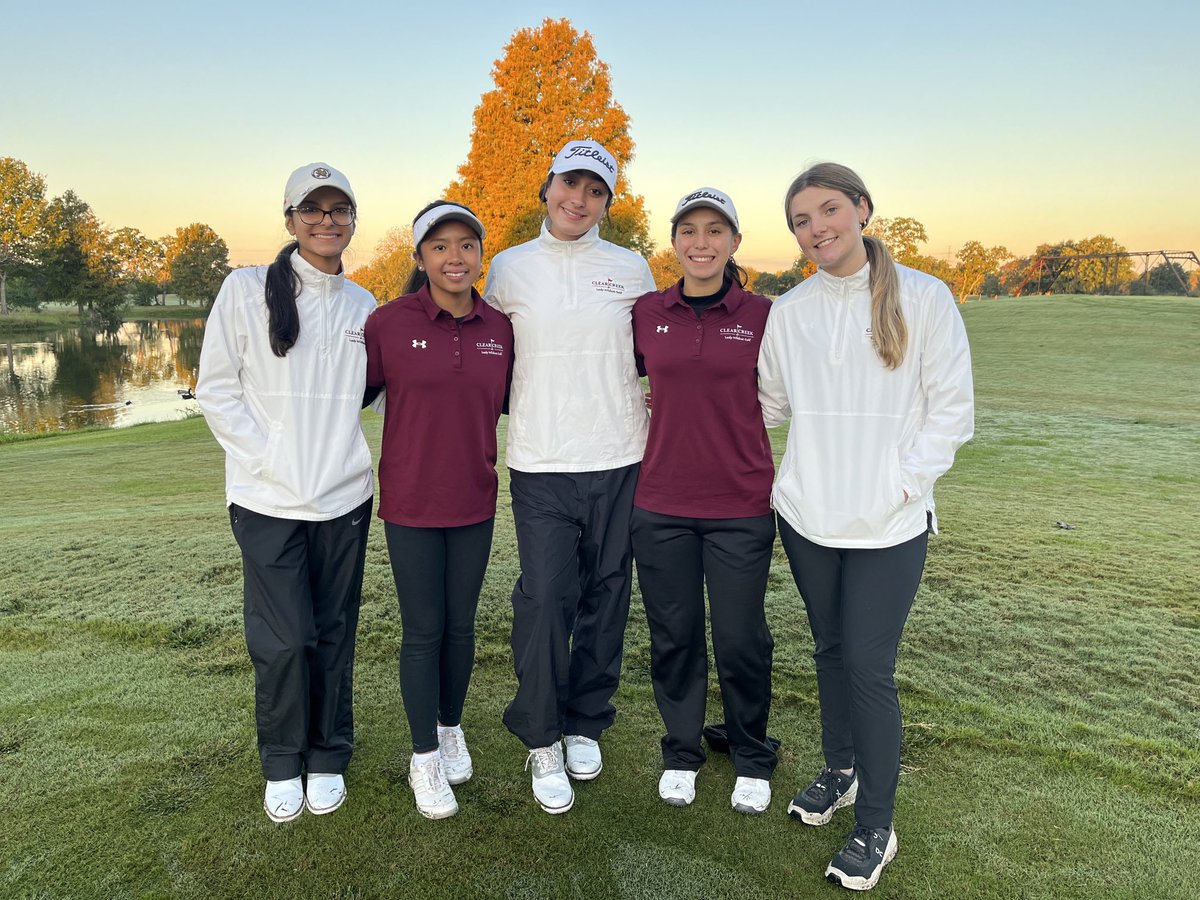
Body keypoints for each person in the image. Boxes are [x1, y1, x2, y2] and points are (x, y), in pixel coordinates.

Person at [758, 162, 974, 891]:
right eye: (800, 221)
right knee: (828, 649)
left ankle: (875, 825)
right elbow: (767, 406)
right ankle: (841, 769)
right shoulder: (790, 311)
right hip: (809, 516)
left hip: (889, 522)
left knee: (869, 668)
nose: (816, 229)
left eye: (827, 211)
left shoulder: (924, 297)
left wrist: (903, 483)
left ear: (862, 210)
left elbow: (952, 411)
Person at [196, 162, 376, 823]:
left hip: (344, 500)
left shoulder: (364, 307)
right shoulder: (245, 290)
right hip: (267, 499)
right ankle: (281, 760)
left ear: (352, 220)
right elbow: (216, 387)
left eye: (339, 209)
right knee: (283, 639)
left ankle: (328, 753)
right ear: (290, 218)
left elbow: (380, 392)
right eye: (313, 208)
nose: (327, 220)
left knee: (332, 632)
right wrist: (267, 456)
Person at [483, 139, 656, 814]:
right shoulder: (507, 267)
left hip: (618, 454)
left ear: (607, 202)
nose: (577, 200)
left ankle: (587, 719)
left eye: (593, 191)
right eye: (568, 185)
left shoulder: (630, 267)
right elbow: (490, 354)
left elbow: (650, 354)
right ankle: (542, 735)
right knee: (549, 596)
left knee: (608, 592)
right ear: (546, 187)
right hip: (541, 459)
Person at [363, 202, 513, 820]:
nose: (455, 258)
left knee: (461, 626)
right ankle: (423, 755)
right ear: (421, 257)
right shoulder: (388, 323)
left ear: (480, 255)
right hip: (411, 502)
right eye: (440, 247)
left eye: (466, 246)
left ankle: (450, 726)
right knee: (423, 630)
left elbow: (513, 402)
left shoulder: (500, 327)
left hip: (475, 498)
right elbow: (352, 397)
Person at [630, 188, 777, 814]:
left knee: (741, 636)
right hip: (660, 501)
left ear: (735, 242)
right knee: (675, 634)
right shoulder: (646, 311)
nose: (701, 241)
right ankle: (682, 750)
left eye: (715, 230)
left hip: (741, 503)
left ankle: (750, 753)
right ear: (674, 242)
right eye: (688, 230)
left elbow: (784, 395)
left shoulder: (765, 314)